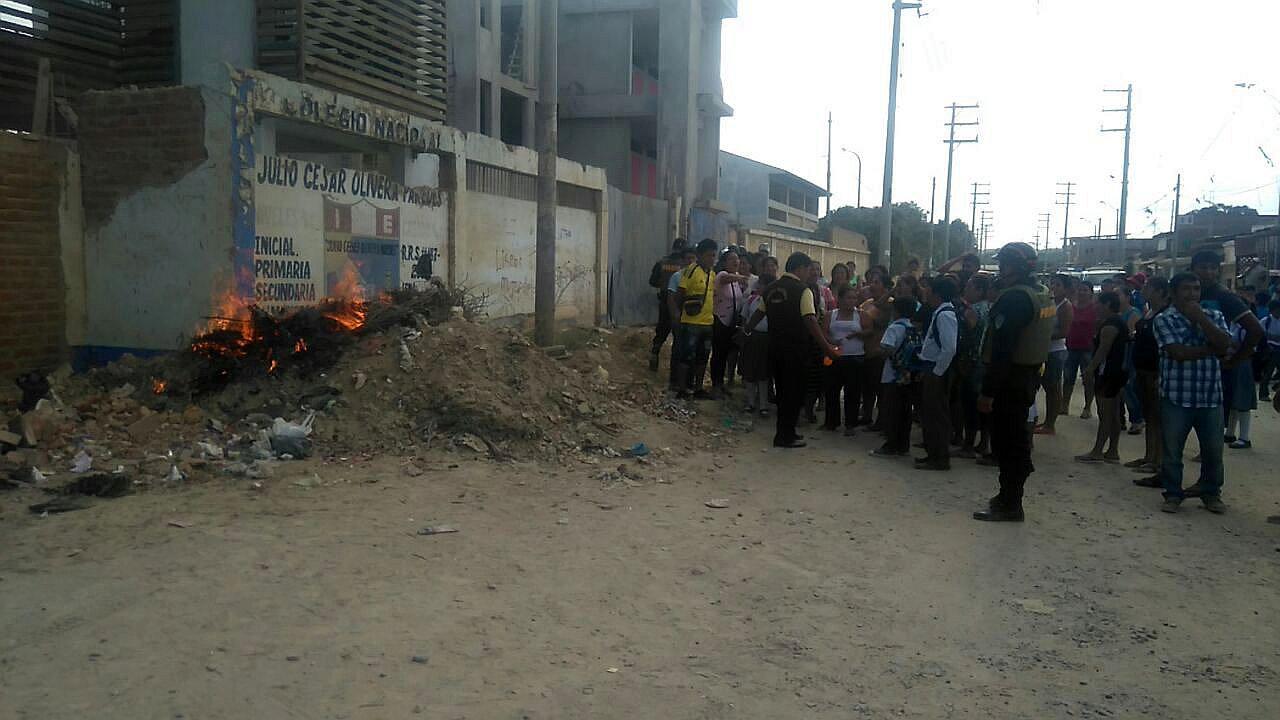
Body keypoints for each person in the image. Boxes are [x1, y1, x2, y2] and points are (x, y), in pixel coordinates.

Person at [972, 243, 1055, 522]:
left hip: (1011, 378)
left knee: (1007, 441)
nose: (1000, 270)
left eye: (1004, 265)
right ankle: (1007, 496)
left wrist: (988, 391)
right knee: (1015, 437)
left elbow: (1003, 349)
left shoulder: (1015, 299)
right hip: (1027, 374)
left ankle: (1010, 503)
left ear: (1015, 267)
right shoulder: (1040, 292)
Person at [1153, 272, 1232, 514]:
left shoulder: (1214, 316)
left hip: (1210, 395)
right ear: (1174, 292)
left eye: (1196, 289)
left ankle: (1211, 493)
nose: (1192, 294)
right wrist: (1211, 349)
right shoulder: (1164, 319)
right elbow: (1177, 353)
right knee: (1172, 451)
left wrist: (1201, 320)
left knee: (1213, 451)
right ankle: (1173, 494)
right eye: (1186, 289)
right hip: (1177, 395)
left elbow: (1225, 343)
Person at [743, 252, 839, 448]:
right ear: (800, 268)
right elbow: (810, 319)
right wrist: (827, 348)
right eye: (808, 269)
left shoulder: (770, 288)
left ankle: (787, 432)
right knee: (794, 393)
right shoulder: (803, 290)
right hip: (796, 350)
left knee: (783, 392)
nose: (809, 273)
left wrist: (745, 332)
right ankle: (785, 436)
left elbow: (758, 314)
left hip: (774, 348)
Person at [1191, 249, 1265, 429]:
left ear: (1218, 271)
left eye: (1213, 268)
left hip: (1215, 370)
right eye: (1203, 267)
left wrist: (1236, 360)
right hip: (1186, 367)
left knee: (1212, 427)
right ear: (1193, 269)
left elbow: (1255, 329)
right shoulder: (1187, 294)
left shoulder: (1224, 295)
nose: (1208, 272)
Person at [1075, 292, 1130, 464]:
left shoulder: (1110, 325)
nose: (1096, 306)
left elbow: (1102, 350)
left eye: (1098, 303)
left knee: (1105, 414)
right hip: (1117, 373)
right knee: (1113, 413)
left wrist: (1090, 369)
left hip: (1107, 374)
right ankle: (1112, 450)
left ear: (1107, 304)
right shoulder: (1117, 322)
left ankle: (1098, 450)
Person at [916, 276, 960, 470]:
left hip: (937, 370)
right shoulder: (940, 312)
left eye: (929, 290)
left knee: (937, 415)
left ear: (937, 294)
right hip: (931, 367)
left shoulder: (945, 315)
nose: (926, 294)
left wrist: (937, 372)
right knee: (930, 413)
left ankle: (939, 457)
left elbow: (949, 348)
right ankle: (932, 453)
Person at [871, 295, 923, 457]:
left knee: (891, 410)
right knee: (905, 411)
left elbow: (887, 349)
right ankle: (903, 445)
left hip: (892, 375)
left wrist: (875, 351)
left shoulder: (894, 327)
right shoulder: (913, 327)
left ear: (896, 311)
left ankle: (891, 445)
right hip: (908, 375)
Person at [1130, 277, 1170, 486]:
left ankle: (1157, 460)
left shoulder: (1164, 314)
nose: (1144, 290)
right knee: (1149, 415)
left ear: (1160, 291)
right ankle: (1148, 456)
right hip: (1143, 370)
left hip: (1155, 372)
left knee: (1157, 417)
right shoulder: (1149, 311)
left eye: (1148, 287)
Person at [671, 239, 719, 398]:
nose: (712, 259)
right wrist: (679, 314)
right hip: (691, 322)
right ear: (700, 255)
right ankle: (682, 388)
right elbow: (680, 294)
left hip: (707, 323)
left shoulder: (712, 274)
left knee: (702, 358)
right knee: (686, 357)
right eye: (709, 255)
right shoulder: (691, 271)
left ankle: (698, 388)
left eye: (714, 255)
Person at [956, 274, 992, 459]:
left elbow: (967, 338)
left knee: (969, 403)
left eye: (969, 287)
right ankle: (983, 442)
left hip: (972, 361)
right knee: (983, 405)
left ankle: (968, 445)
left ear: (979, 290)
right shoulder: (990, 308)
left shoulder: (972, 311)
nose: (965, 290)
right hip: (986, 362)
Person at [823, 284, 867, 435]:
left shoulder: (861, 315)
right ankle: (831, 422)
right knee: (831, 390)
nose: (851, 301)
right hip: (835, 356)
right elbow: (824, 332)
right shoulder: (831, 315)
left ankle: (850, 424)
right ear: (840, 299)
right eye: (848, 298)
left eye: (854, 298)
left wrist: (858, 334)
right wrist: (831, 341)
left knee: (853, 392)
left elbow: (870, 330)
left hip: (855, 356)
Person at [1035, 274, 1074, 435]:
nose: (1053, 287)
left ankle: (1050, 424)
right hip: (1045, 349)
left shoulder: (1065, 306)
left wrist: (1042, 335)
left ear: (1066, 289)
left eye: (1058, 285)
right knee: (1047, 387)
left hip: (1056, 351)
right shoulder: (1050, 303)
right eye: (1052, 284)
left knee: (1054, 388)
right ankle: (1047, 422)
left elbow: (1064, 332)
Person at [709, 251, 749, 396]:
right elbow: (727, 278)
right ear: (724, 262)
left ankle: (721, 383)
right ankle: (715, 385)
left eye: (737, 259)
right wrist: (741, 277)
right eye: (732, 259)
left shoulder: (736, 280)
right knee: (718, 354)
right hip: (720, 320)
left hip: (731, 322)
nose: (735, 261)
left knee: (726, 354)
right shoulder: (722, 275)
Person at [858, 270, 892, 428]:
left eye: (877, 282)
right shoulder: (866, 304)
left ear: (885, 287)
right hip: (866, 350)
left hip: (880, 351)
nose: (872, 285)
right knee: (867, 387)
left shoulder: (891, 304)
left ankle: (882, 420)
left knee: (881, 389)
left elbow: (880, 320)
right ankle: (866, 415)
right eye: (871, 281)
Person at [648, 238, 688, 371]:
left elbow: (652, 281)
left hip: (665, 299)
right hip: (681, 301)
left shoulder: (662, 262)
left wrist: (664, 284)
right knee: (679, 334)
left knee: (662, 330)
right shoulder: (686, 265)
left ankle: (655, 354)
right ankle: (676, 367)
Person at [739, 272, 775, 416]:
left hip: (767, 339)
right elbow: (744, 319)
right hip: (752, 337)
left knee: (763, 373)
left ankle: (763, 405)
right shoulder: (751, 300)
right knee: (750, 371)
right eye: (761, 284)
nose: (762, 287)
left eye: (765, 285)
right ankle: (750, 402)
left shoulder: (775, 303)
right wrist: (745, 334)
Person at [1063, 280, 1098, 419]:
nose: (1082, 292)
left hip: (1087, 349)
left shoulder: (1095, 308)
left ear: (1091, 293)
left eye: (1085, 290)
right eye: (1080, 290)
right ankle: (1064, 405)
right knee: (1068, 378)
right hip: (1071, 347)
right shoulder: (1071, 306)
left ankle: (1087, 407)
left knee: (1088, 380)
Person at [1225, 318, 1257, 449]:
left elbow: (1250, 348)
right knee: (1233, 400)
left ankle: (1244, 437)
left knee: (1243, 401)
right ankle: (1230, 433)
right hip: (1233, 363)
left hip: (1242, 363)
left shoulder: (1247, 327)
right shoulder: (1233, 324)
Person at [1260, 300, 1280, 401]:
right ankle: (1263, 394)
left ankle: (1276, 387)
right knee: (1267, 373)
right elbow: (1261, 335)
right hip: (1269, 350)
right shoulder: (1265, 321)